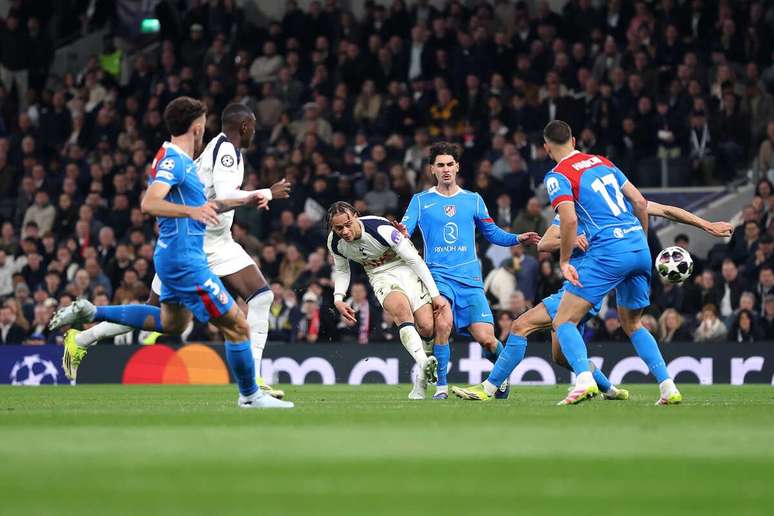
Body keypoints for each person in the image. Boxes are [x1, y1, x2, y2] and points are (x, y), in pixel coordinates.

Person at [49, 96, 293, 409]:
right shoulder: (219, 152)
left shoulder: (188, 153)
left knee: (182, 318)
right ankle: (251, 390)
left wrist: (202, 208)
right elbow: (214, 197)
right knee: (235, 324)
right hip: (198, 249)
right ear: (244, 126)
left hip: (209, 242)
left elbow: (207, 200)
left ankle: (85, 330)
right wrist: (263, 193)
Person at [452, 197, 731, 401]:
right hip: (584, 286)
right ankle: (611, 390)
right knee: (561, 357)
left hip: (583, 287)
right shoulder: (569, 213)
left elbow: (667, 209)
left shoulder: (614, 205)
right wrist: (572, 240)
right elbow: (546, 243)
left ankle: (489, 389)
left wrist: (706, 225)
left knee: (520, 325)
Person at [545, 120, 681, 405]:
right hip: (637, 247)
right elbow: (641, 203)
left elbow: (569, 219)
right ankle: (668, 386)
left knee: (563, 321)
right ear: (573, 139)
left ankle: (583, 379)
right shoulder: (601, 161)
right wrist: (640, 241)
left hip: (608, 251)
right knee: (633, 324)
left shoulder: (557, 175)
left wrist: (565, 259)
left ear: (547, 148)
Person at [398, 142, 540, 399]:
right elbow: (405, 228)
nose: (445, 169)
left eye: (449, 164)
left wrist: (518, 238)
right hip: (438, 276)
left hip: (470, 279)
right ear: (432, 169)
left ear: (457, 166)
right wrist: (402, 232)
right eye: (440, 165)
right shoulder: (420, 201)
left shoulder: (473, 200)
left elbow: (492, 233)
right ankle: (440, 387)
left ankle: (501, 375)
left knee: (487, 339)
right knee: (443, 323)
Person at [327, 201, 447, 400]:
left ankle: (421, 381)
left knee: (427, 327)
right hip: (380, 276)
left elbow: (414, 259)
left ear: (355, 216)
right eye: (339, 228)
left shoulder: (379, 229)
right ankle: (423, 362)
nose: (345, 231)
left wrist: (435, 295)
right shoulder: (334, 242)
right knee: (401, 311)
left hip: (406, 267)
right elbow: (341, 269)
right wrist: (338, 298)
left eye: (348, 224)